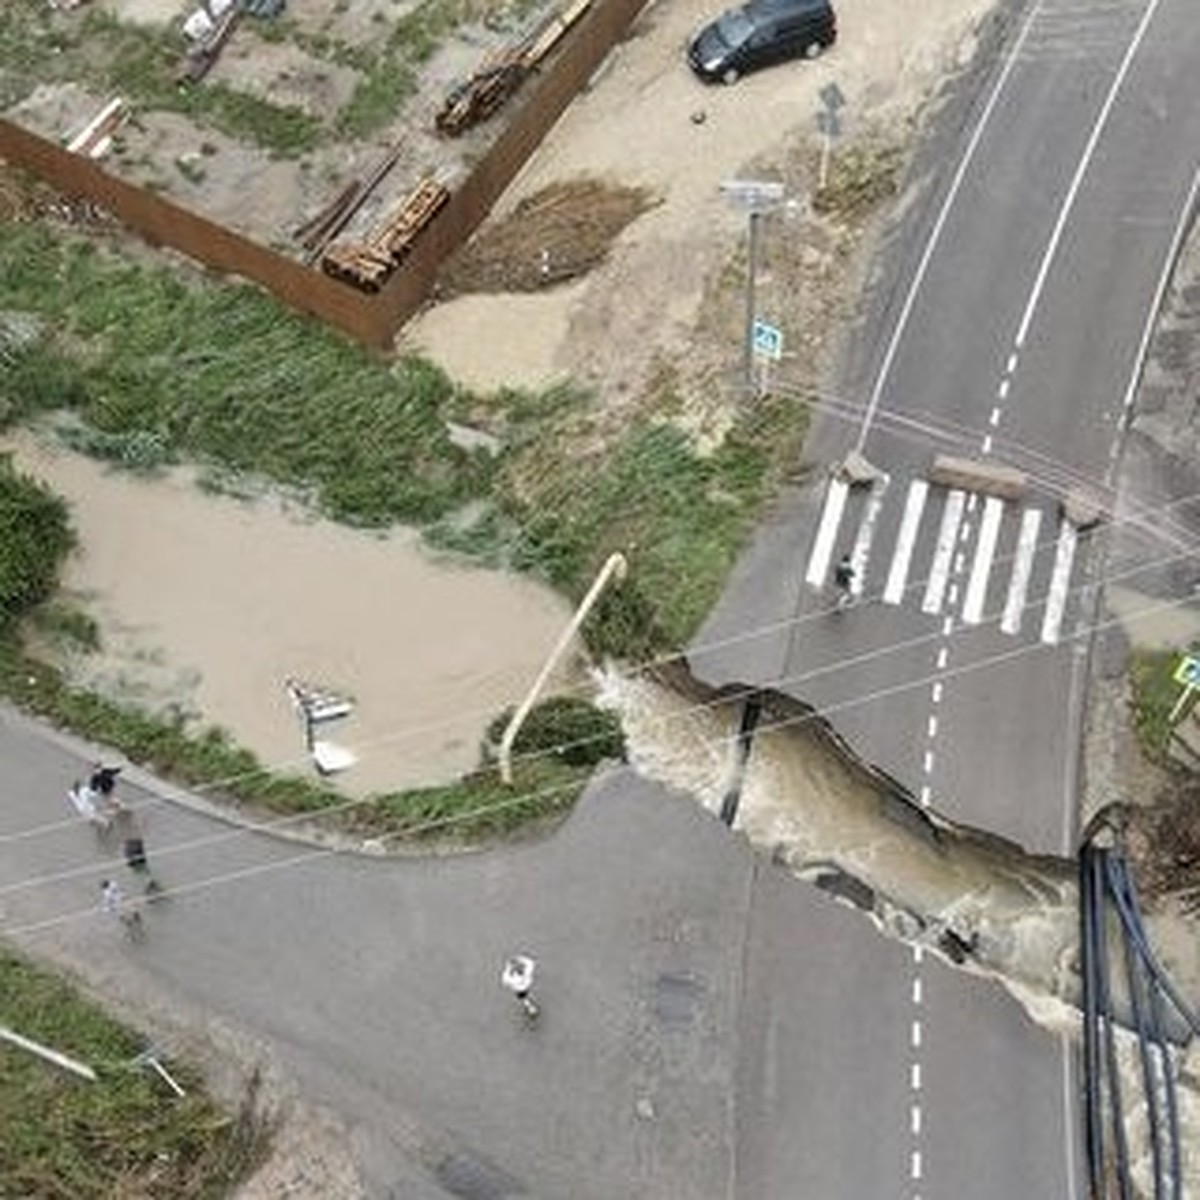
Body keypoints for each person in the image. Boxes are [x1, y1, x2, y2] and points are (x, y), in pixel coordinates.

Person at [501, 954, 539, 1019]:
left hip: (520, 990)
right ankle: (531, 1008)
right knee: (525, 999)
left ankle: (530, 1008)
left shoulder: (512, 979)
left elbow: (505, 979)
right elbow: (530, 963)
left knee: (525, 999)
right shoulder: (526, 973)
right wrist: (519, 959)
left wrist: (508, 967)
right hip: (525, 987)